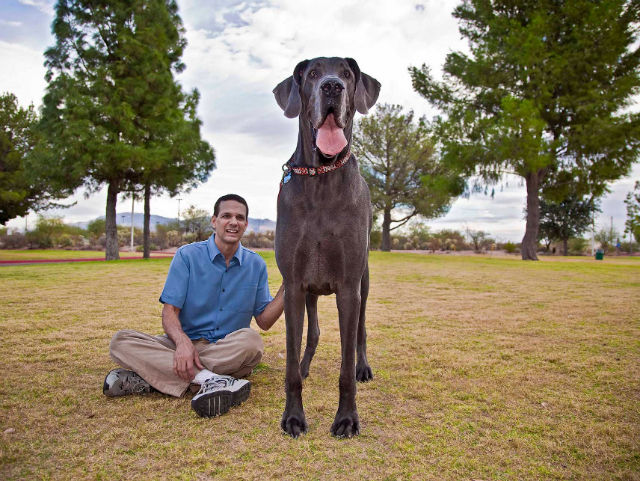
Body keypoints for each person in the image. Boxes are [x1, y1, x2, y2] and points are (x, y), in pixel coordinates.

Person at [103, 194, 284, 418]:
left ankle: (150, 378)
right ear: (214, 220)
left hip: (226, 350)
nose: (233, 222)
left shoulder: (255, 264)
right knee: (120, 342)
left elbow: (264, 322)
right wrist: (182, 343)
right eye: (226, 215)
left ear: (246, 224)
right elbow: (170, 312)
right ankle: (210, 379)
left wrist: (290, 285)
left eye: (240, 217)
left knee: (252, 341)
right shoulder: (187, 256)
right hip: (181, 345)